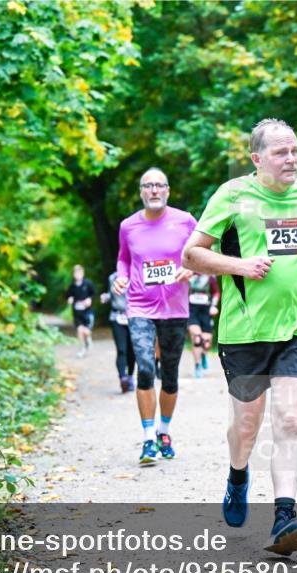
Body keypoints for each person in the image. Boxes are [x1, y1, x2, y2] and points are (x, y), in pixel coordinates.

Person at [182, 118, 297, 555]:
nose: (292, 159)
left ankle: (285, 516)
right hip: (244, 332)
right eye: (281, 152)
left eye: (296, 150)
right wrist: (241, 266)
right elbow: (192, 254)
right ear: (256, 158)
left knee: (289, 419)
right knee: (245, 428)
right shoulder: (233, 195)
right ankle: (237, 474)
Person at [112, 167, 196, 466]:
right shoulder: (128, 226)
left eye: (160, 185)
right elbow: (123, 259)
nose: (154, 190)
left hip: (175, 308)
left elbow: (200, 250)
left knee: (169, 375)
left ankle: (164, 432)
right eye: (148, 185)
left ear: (168, 190)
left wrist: (193, 268)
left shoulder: (185, 220)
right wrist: (120, 278)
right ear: (141, 191)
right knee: (145, 368)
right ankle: (148, 440)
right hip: (139, 306)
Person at [100, 271, 136, 393]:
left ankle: (130, 376)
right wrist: (106, 297)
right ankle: (123, 378)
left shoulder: (137, 274)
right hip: (117, 317)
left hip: (134, 317)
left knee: (132, 351)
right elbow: (111, 294)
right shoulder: (113, 277)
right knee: (121, 350)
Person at [187, 273, 220, 378]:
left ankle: (204, 353)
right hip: (191, 310)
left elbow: (216, 293)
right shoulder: (187, 273)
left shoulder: (210, 275)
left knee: (206, 343)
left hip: (206, 310)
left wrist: (213, 306)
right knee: (197, 338)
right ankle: (197, 366)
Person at [65, 265, 95, 358]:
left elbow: (93, 294)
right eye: (76, 273)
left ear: (83, 273)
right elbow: (68, 296)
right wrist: (70, 299)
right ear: (74, 274)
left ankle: (88, 339)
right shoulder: (72, 286)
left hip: (87, 312)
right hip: (77, 312)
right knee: (79, 330)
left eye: (79, 272)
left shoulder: (88, 283)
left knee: (86, 331)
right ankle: (82, 348)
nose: (77, 275)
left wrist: (89, 299)